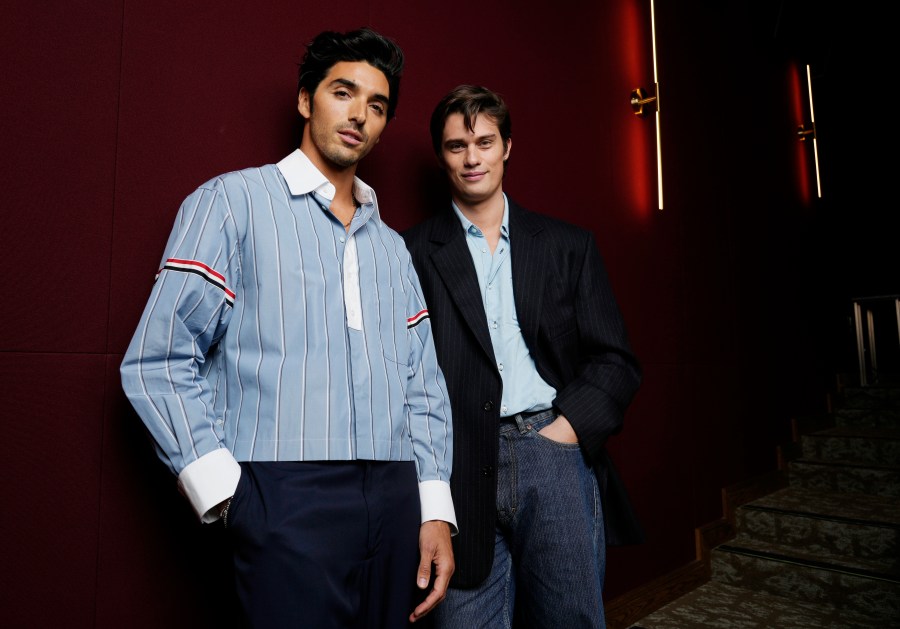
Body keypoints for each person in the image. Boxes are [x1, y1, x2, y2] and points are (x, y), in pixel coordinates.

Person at [120, 27, 456, 628]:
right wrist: (228, 494)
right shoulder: (231, 203)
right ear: (306, 100)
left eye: (376, 106)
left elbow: (423, 384)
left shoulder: (392, 249)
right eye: (342, 92)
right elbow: (158, 359)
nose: (358, 115)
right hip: (283, 495)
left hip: (395, 496)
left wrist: (433, 506)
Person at [401, 85, 643, 628]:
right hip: (457, 462)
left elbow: (615, 361)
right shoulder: (409, 252)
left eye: (484, 142)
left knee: (570, 620)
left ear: (507, 146)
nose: (471, 158)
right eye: (457, 145)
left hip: (551, 450)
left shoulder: (566, 245)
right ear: (441, 154)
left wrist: (566, 430)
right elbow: (401, 371)